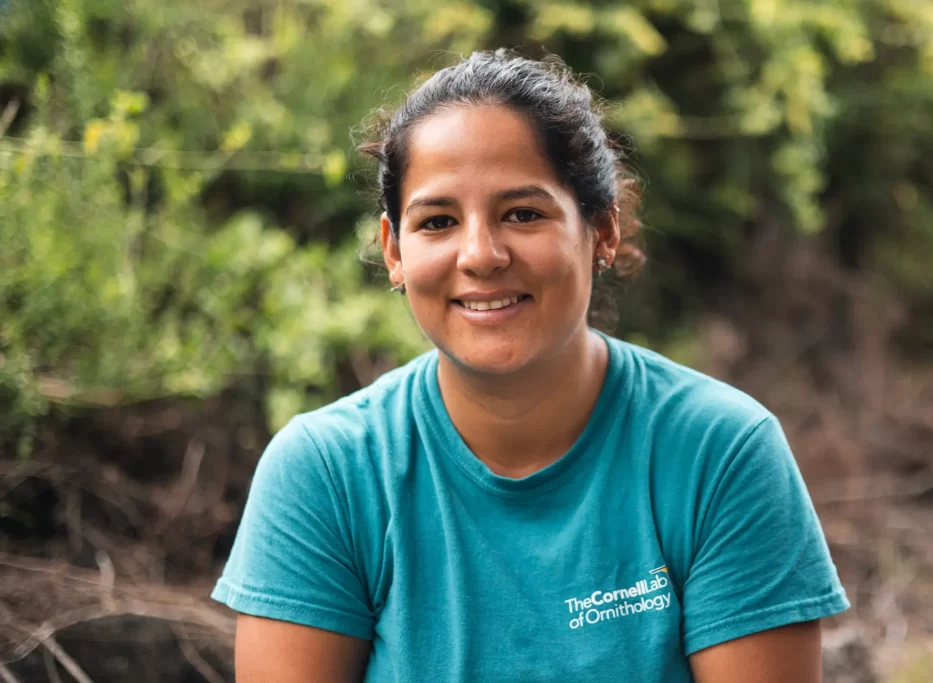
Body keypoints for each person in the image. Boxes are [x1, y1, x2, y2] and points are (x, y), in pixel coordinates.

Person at [211, 49, 849, 682]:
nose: (481, 255)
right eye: (437, 221)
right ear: (394, 251)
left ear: (601, 231)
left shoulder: (720, 453)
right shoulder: (326, 473)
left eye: (522, 213)